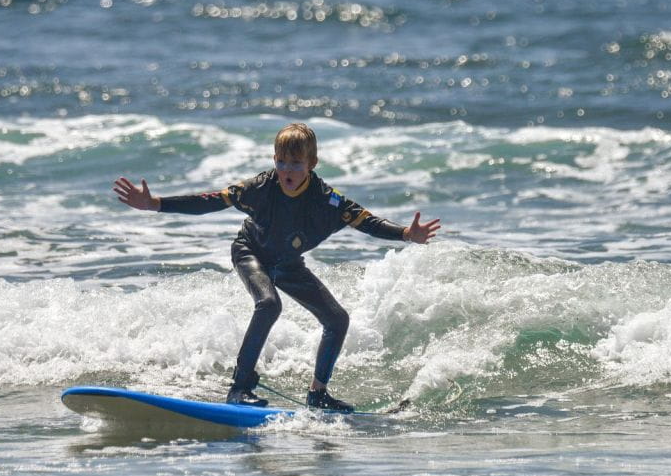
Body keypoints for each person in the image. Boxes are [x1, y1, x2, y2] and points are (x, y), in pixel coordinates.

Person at [113, 123, 440, 411]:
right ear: (274, 161)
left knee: (337, 319)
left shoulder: (328, 201)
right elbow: (210, 201)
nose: (287, 169)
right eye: (281, 161)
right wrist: (156, 204)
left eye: (296, 163)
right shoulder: (260, 187)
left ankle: (318, 393)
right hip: (249, 251)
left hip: (287, 263)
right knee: (269, 304)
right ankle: (239, 388)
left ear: (311, 164)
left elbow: (367, 221)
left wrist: (405, 234)